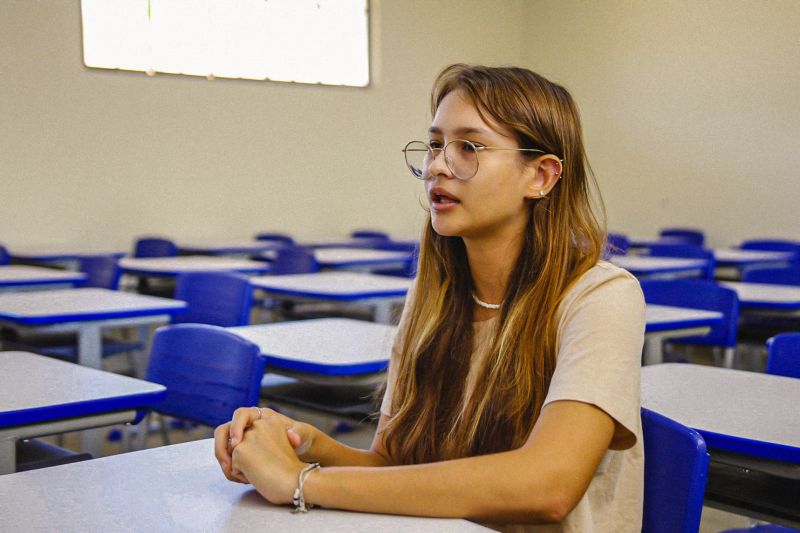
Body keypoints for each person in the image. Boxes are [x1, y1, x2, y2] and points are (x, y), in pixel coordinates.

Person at [214, 64, 645, 532]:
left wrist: (301, 482)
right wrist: (304, 443)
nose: (438, 165)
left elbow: (547, 486)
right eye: (436, 144)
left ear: (540, 176)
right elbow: (395, 470)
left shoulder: (601, 297)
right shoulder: (434, 296)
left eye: (469, 147)